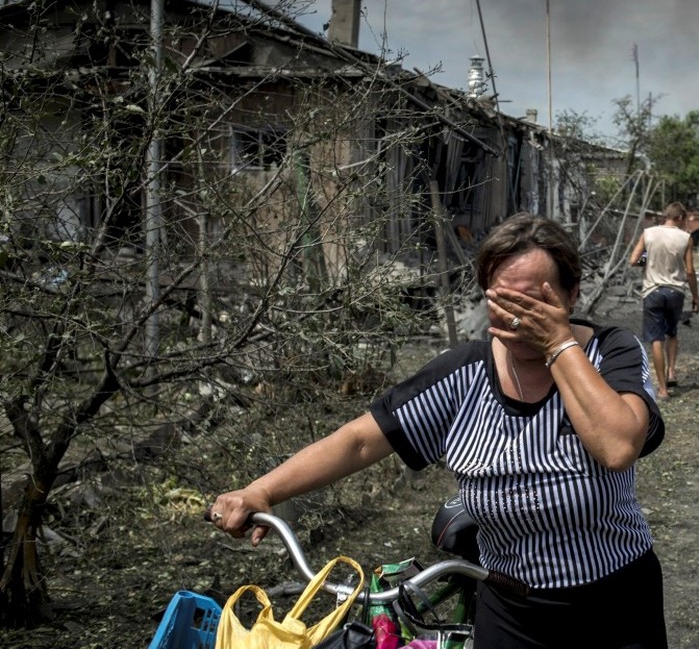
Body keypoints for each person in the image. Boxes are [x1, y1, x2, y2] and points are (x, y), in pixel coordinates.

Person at [210, 213, 669, 649]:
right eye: (503, 302)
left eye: (533, 303)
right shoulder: (464, 374)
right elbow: (361, 439)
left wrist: (556, 342)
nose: (515, 320)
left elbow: (616, 445)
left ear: (570, 296)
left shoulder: (611, 355)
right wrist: (261, 491)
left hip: (615, 602)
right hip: (510, 605)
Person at [630, 202, 699, 399]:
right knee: (672, 333)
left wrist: (648, 260)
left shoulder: (649, 233)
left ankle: (662, 389)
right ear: (680, 218)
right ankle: (671, 371)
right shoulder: (686, 238)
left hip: (652, 290)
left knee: (656, 339)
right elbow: (689, 271)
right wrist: (696, 296)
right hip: (675, 291)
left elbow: (633, 259)